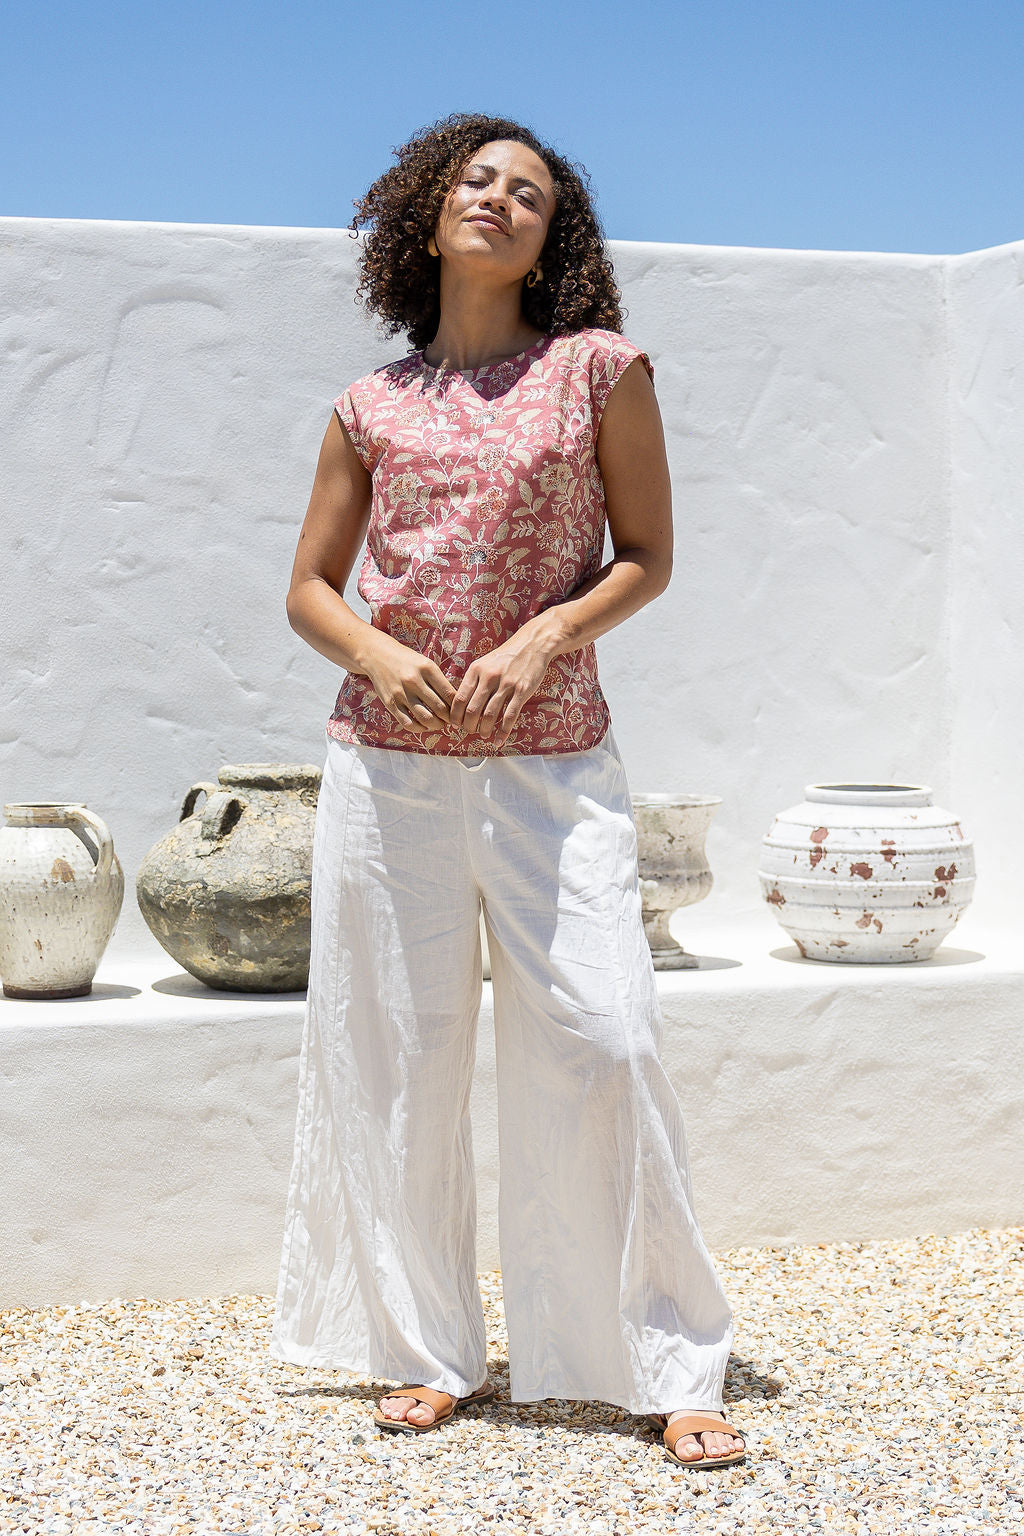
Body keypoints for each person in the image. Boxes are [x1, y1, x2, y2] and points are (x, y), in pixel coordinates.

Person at [268, 111, 746, 1472]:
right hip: (390, 771)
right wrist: (376, 651)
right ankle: (425, 1354)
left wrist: (546, 635)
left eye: (529, 193)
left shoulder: (601, 369)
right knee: (403, 1064)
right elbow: (309, 586)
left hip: (555, 765)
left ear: (555, 239)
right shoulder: (371, 406)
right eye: (476, 181)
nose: (500, 200)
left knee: (607, 1038)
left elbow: (645, 554)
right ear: (429, 216)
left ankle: (669, 1358)